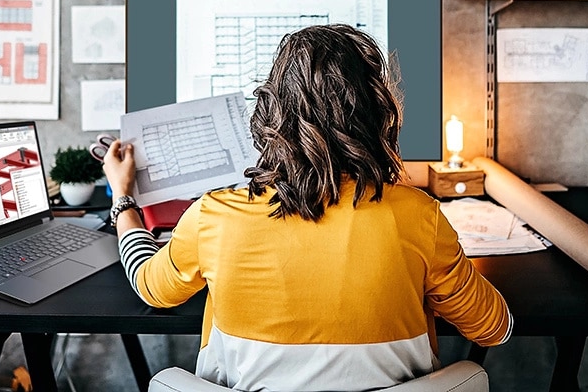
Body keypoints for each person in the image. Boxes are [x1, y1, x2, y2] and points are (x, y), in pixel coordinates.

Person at [103, 24, 512, 392]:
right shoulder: (419, 216)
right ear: (378, 114)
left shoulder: (215, 216)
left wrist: (123, 198)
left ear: (270, 112)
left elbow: (150, 286)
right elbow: (494, 328)